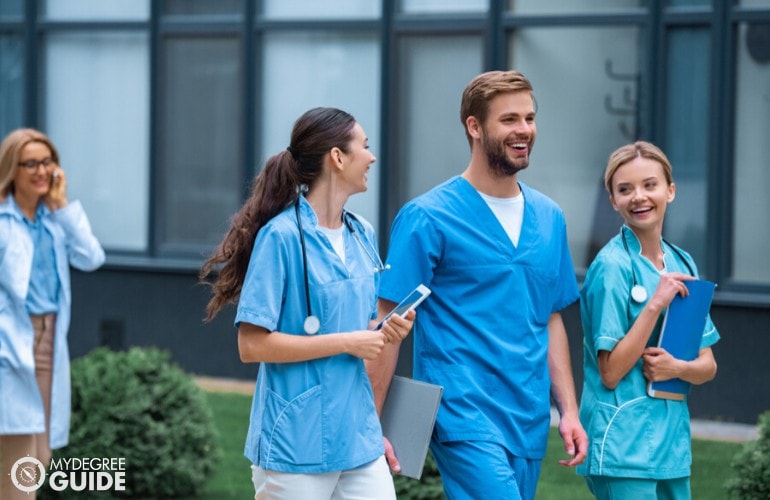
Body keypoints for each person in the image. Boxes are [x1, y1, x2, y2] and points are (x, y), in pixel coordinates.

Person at [366, 70, 587, 499]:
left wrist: (569, 412)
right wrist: (371, 424)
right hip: (462, 410)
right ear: (474, 126)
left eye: (529, 117)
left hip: (527, 413)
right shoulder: (427, 217)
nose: (524, 129)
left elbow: (551, 319)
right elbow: (387, 323)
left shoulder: (550, 218)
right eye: (509, 119)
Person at [200, 107, 414, 500]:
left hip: (358, 438)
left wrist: (384, 332)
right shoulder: (280, 238)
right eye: (364, 147)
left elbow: (361, 327)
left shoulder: (362, 234)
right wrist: (347, 342)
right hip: (294, 443)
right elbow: (252, 346)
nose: (372, 157)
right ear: (337, 157)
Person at [577, 141, 719, 499]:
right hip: (623, 444)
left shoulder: (682, 263)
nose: (638, 197)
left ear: (670, 191)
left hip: (671, 445)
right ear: (613, 200)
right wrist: (655, 304)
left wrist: (676, 368)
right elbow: (610, 372)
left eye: (649, 185)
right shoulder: (611, 267)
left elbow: (707, 366)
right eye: (625, 189)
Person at [0, 128, 105, 499]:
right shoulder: (3, 222)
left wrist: (62, 207)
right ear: (12, 169)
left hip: (47, 343)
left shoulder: (54, 221)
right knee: (20, 456)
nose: (42, 171)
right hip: (9, 345)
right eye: (31, 163)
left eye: (48, 162)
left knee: (41, 453)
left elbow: (92, 258)